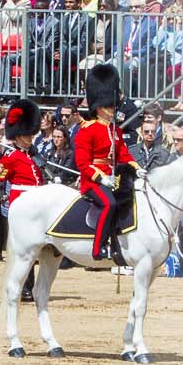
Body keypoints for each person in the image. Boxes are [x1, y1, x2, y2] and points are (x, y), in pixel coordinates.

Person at [75, 62, 135, 264]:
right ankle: (98, 246)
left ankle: (117, 245)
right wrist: (101, 177)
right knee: (109, 203)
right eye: (109, 106)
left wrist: (138, 169)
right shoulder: (88, 130)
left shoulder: (115, 130)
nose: (112, 108)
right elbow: (82, 163)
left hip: (113, 177)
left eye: (112, 105)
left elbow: (124, 155)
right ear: (99, 107)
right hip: (93, 181)